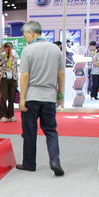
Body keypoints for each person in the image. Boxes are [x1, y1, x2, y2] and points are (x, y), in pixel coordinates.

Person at [17, 21, 65, 176]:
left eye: (25, 35)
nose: (25, 38)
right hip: (49, 97)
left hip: (32, 97)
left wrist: (22, 98)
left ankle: (29, 164)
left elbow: (25, 75)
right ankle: (55, 160)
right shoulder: (55, 49)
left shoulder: (28, 50)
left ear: (31, 33)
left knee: (29, 131)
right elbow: (61, 74)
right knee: (51, 131)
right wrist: (60, 94)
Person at [0, 42, 19, 122]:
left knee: (11, 97)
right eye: (7, 47)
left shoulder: (14, 57)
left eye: (10, 47)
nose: (9, 49)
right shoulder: (2, 56)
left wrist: (16, 80)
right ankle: (2, 115)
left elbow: (16, 69)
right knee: (3, 97)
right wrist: (1, 49)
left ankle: (11, 115)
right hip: (4, 78)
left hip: (13, 78)